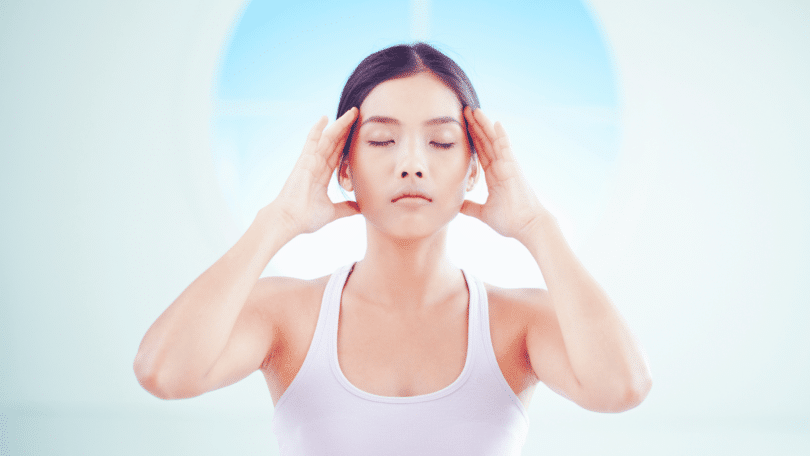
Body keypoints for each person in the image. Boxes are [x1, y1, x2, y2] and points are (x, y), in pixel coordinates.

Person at [134, 43, 652, 455]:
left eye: (442, 142)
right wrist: (277, 222)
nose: (411, 164)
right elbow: (164, 373)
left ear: (475, 168)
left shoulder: (520, 322)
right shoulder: (285, 316)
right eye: (381, 140)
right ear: (343, 165)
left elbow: (621, 388)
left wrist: (539, 227)